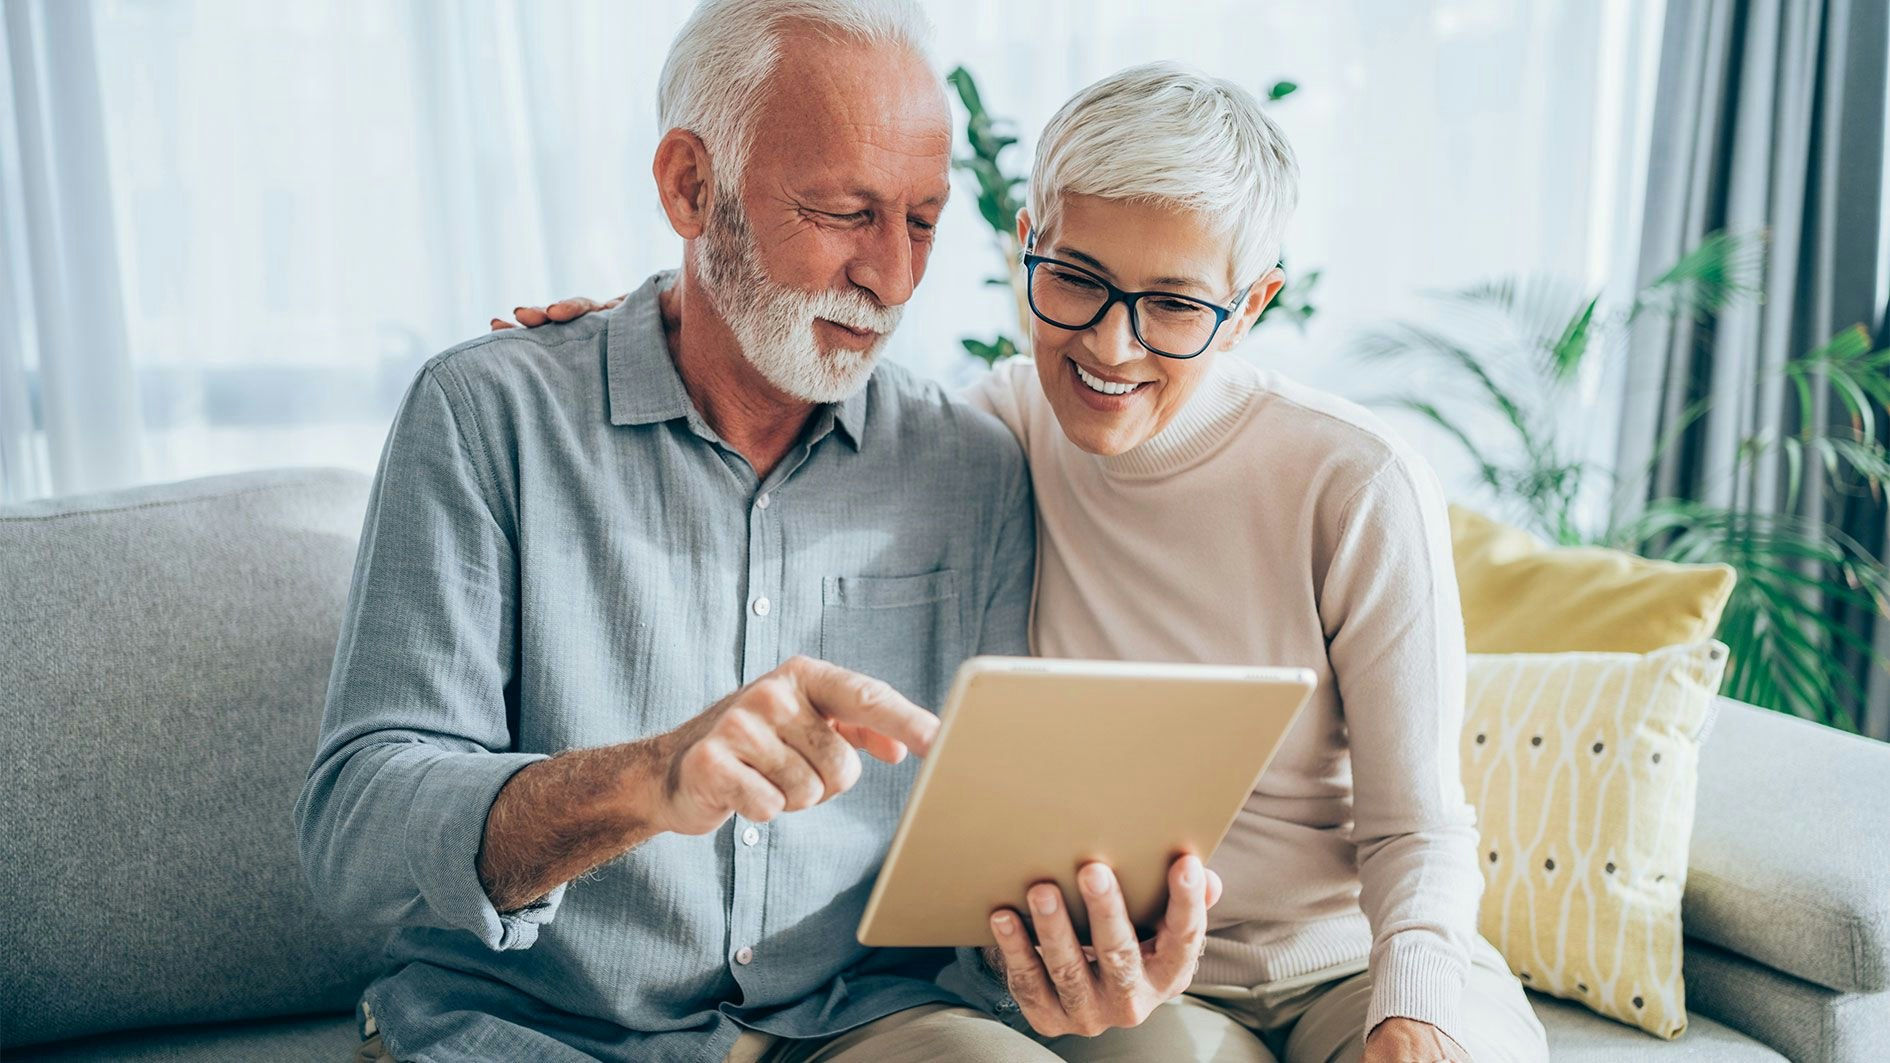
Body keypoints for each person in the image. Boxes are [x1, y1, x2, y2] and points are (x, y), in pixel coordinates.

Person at [515, 61, 1551, 1063]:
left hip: (1358, 957)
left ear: (1251, 307)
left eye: (1176, 306)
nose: (1110, 346)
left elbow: (1420, 825)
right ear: (1026, 245)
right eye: (1077, 280)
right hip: (1121, 970)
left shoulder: (1354, 482)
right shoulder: (995, 430)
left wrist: (1416, 1017)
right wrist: (653, 325)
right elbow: (799, 379)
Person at [298, 2, 1217, 1061]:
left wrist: (1068, 955)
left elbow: (980, 851)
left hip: (852, 1020)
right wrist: (649, 779)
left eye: (922, 220)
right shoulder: (487, 415)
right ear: (692, 188)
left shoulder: (971, 464)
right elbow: (355, 834)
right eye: (841, 212)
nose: (893, 278)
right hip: (537, 1027)